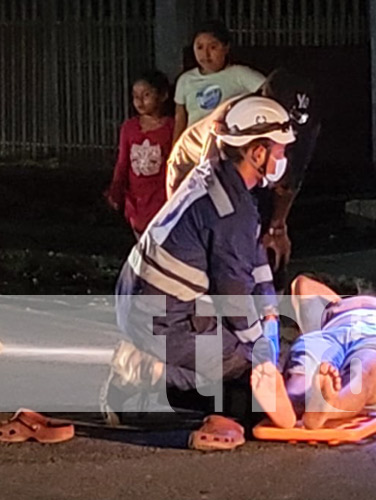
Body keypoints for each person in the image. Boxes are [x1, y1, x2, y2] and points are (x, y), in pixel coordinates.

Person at [102, 95, 296, 434]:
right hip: (162, 319)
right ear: (257, 152)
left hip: (141, 301)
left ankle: (158, 364)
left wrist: (269, 313)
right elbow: (232, 292)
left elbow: (252, 259)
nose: (283, 159)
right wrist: (259, 346)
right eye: (279, 150)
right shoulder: (232, 208)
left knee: (254, 351)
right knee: (247, 382)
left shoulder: (216, 176)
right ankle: (143, 371)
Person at [167, 69, 320, 288]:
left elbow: (290, 181)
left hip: (245, 170)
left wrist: (277, 227)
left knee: (255, 241)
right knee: (208, 239)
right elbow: (210, 185)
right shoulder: (229, 120)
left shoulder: (305, 126)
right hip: (191, 166)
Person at [251, 275, 376, 429]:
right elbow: (303, 284)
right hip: (332, 333)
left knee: (365, 370)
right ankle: (292, 402)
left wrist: (364, 301)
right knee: (307, 361)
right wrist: (339, 304)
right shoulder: (331, 313)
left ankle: (328, 405)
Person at [106, 70, 174, 238]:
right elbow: (123, 163)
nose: (139, 101)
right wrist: (116, 190)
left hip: (161, 198)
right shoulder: (129, 127)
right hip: (136, 201)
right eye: (135, 96)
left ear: (163, 95)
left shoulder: (171, 127)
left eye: (146, 95)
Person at [173, 20, 266, 143]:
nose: (205, 54)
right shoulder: (185, 80)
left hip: (228, 144)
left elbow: (269, 88)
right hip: (194, 146)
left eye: (213, 47)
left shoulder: (239, 74)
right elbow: (180, 120)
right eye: (199, 47)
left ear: (226, 48)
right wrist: (175, 149)